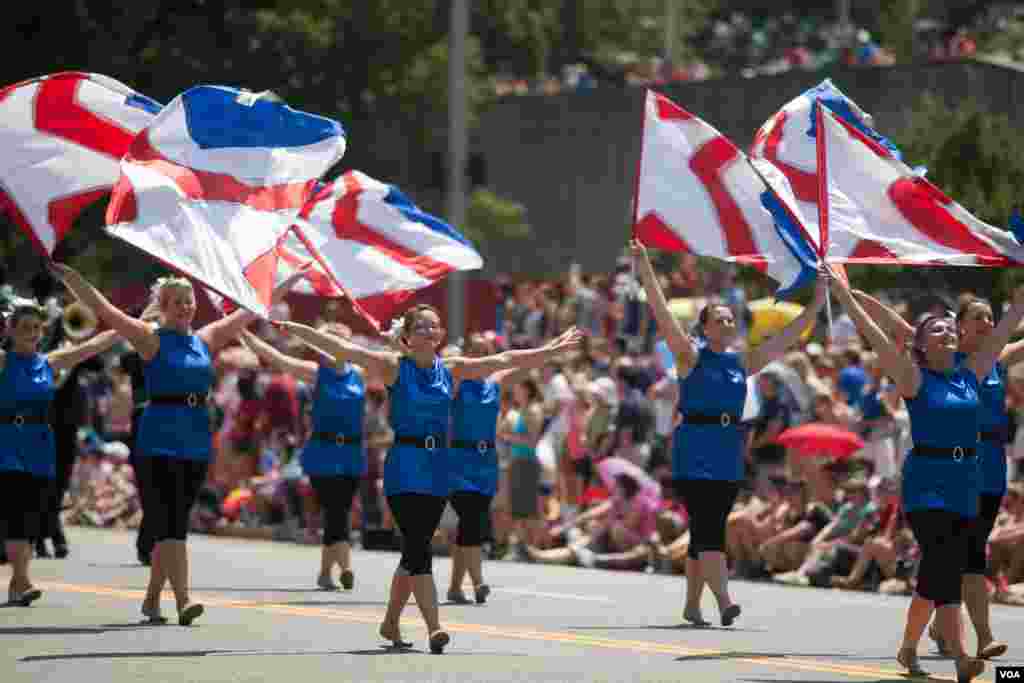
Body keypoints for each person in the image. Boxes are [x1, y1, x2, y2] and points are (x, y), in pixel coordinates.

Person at [276, 307, 581, 654]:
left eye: (434, 325)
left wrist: (551, 350)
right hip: (405, 466)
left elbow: (505, 359)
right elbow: (342, 349)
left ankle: (390, 622)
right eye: (420, 326)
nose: (428, 330)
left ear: (440, 334)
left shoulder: (452, 369)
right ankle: (435, 627)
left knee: (414, 548)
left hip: (438, 467)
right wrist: (294, 327)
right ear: (407, 335)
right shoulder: (393, 366)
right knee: (419, 546)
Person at [50, 263, 302, 626]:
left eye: (189, 301)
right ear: (163, 306)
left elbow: (250, 310)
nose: (185, 307)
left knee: (174, 520)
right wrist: (70, 277)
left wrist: (289, 281)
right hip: (158, 438)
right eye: (177, 302)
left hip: (195, 438)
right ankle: (184, 599)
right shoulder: (148, 337)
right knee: (170, 524)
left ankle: (152, 599)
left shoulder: (204, 339)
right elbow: (104, 309)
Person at [832, 268, 1024, 682]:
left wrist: (1019, 300)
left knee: (938, 574)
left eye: (949, 327)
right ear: (919, 344)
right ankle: (961, 657)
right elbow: (876, 335)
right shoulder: (913, 376)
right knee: (945, 564)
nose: (947, 332)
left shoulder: (971, 372)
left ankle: (907, 647)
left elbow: (1004, 329)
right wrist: (845, 297)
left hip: (965, 482)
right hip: (927, 485)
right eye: (936, 329)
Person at [632, 239, 827, 628]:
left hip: (727, 451)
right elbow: (660, 309)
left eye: (729, 319)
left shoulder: (741, 362)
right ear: (704, 328)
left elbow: (786, 338)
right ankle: (724, 601)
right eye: (718, 319)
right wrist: (644, 265)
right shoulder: (689, 356)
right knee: (708, 530)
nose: (727, 324)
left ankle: (692, 605)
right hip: (695, 449)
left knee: (707, 528)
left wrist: (817, 301)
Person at [1, 300, 120, 605]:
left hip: (40, 443)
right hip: (8, 441)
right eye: (24, 328)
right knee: (16, 512)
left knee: (32, 514)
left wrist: (132, 324)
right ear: (10, 330)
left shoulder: (48, 362)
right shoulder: (3, 361)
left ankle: (17, 582)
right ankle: (22, 580)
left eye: (36, 328)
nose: (31, 333)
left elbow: (92, 346)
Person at [240, 324, 365, 592]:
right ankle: (346, 568)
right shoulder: (317, 373)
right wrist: (245, 334)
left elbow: (394, 364)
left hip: (352, 452)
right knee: (336, 510)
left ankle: (324, 573)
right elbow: (278, 359)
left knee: (339, 511)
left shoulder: (360, 374)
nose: (336, 347)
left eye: (342, 341)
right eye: (330, 341)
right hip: (323, 452)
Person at [446, 332, 538, 605]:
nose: (480, 357)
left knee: (470, 524)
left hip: (486, 461)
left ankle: (454, 587)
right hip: (459, 459)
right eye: (474, 351)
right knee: (471, 520)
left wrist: (552, 350)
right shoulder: (455, 382)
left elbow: (524, 366)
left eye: (485, 352)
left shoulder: (494, 383)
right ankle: (478, 582)